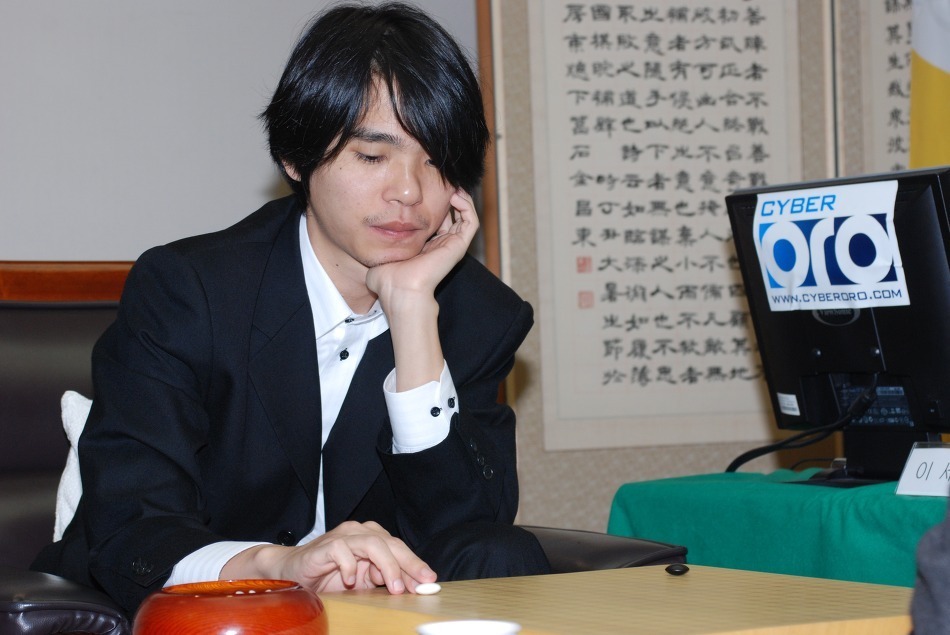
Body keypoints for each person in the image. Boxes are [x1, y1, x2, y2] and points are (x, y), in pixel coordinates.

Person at [31, 1, 549, 616]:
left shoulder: (480, 317)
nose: (410, 192)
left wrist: (413, 312)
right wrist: (278, 567)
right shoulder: (191, 290)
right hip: (192, 603)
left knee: (504, 553)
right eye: (372, 156)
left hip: (375, 615)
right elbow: (134, 527)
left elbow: (469, 534)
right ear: (296, 158)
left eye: (436, 161)